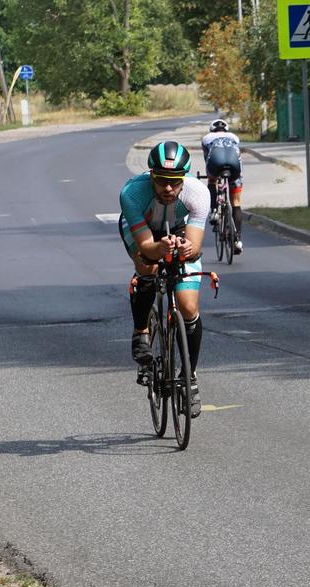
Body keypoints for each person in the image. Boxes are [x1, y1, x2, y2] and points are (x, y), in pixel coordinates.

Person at [120, 140, 209, 418]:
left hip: (180, 228)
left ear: (184, 178)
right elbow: (147, 248)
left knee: (189, 307)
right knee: (147, 268)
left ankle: (190, 378)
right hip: (143, 229)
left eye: (174, 181)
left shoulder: (198, 194)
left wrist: (184, 249)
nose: (168, 188)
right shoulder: (132, 193)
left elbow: (194, 245)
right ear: (151, 176)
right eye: (161, 181)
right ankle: (141, 332)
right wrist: (158, 250)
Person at [201, 118, 244, 255]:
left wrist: (211, 176)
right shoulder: (234, 137)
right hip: (235, 169)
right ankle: (237, 240)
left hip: (216, 165)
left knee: (212, 180)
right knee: (236, 202)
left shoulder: (207, 138)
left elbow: (207, 159)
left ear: (211, 129)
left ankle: (214, 211)